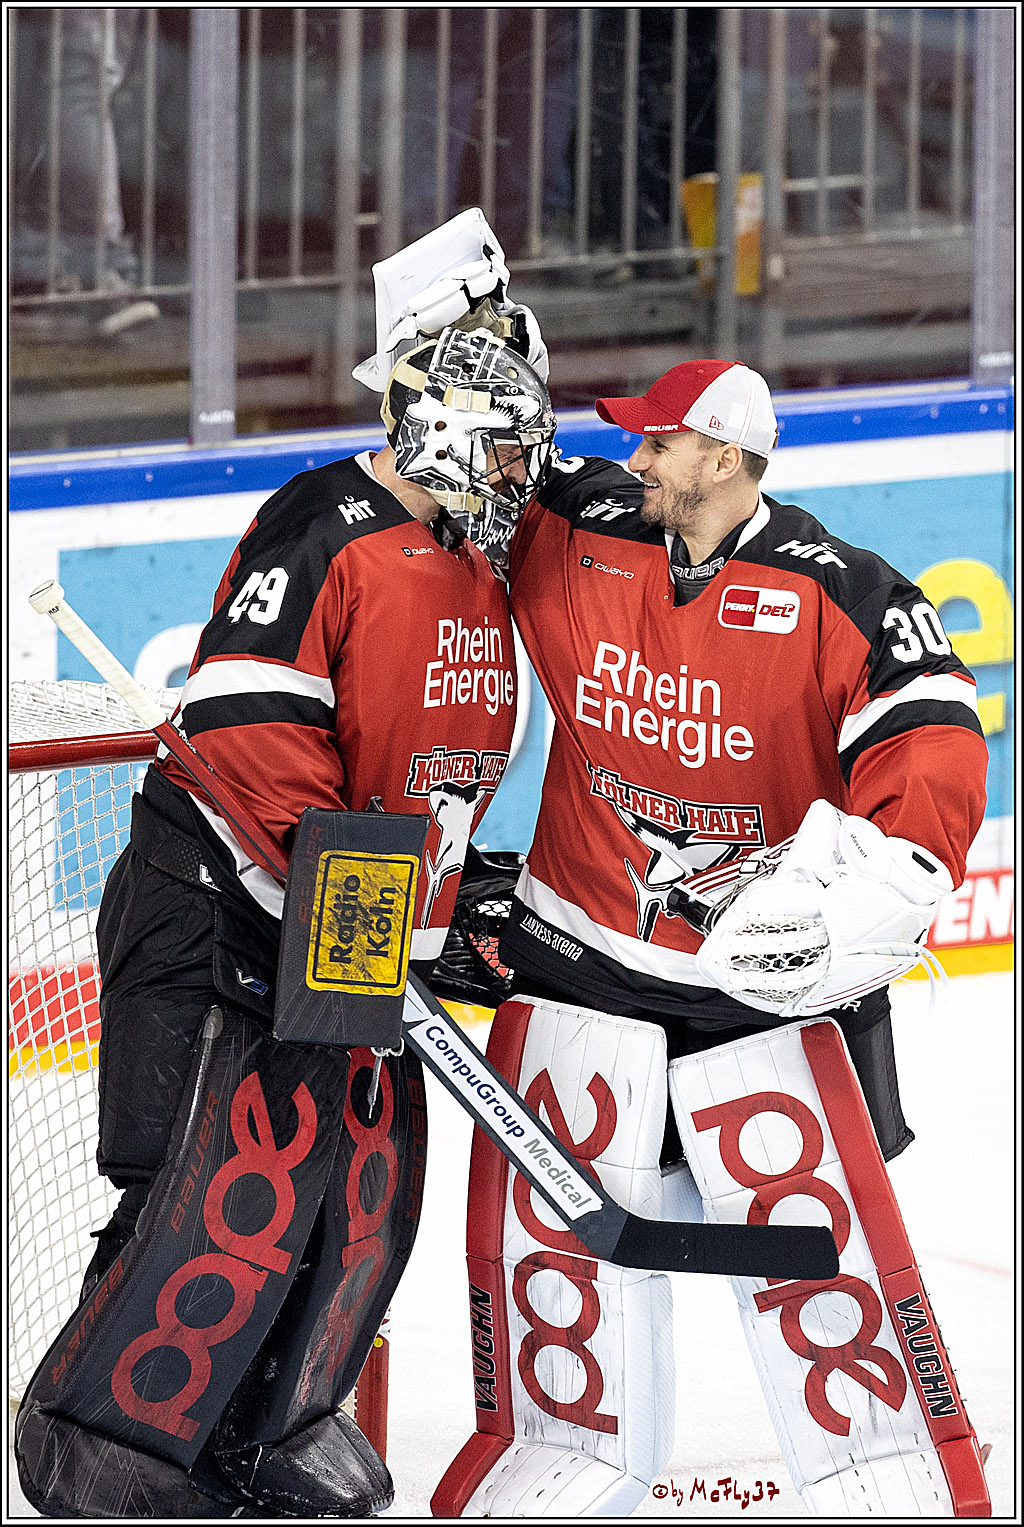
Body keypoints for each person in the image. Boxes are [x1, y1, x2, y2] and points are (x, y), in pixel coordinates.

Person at [429, 357, 992, 1515]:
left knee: (808, 1248)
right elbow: (488, 478)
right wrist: (463, 350)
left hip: (751, 989)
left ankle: (882, 1465)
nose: (634, 461)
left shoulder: (842, 590)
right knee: (561, 1249)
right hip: (580, 953)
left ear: (723, 457)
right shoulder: (587, 526)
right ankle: (563, 1449)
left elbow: (933, 736)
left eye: (659, 445)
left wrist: (881, 887)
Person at [15, 326, 556, 1520]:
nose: (526, 476)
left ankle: (274, 1423)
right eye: (510, 449)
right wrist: (370, 902)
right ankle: (105, 1444)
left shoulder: (474, 556)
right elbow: (252, 732)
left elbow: (432, 767)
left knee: (355, 1183)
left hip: (340, 913)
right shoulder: (320, 524)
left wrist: (445, 895)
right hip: (220, 907)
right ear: (450, 432)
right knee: (212, 1185)